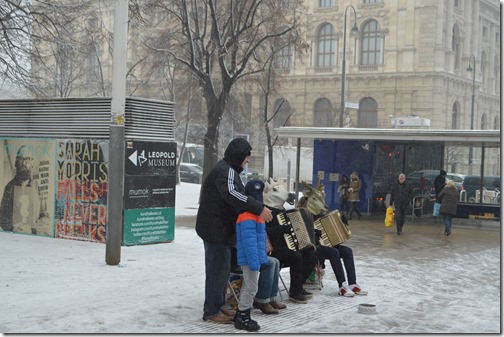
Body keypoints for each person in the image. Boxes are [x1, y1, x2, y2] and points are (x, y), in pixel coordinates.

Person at [195, 138, 273, 324]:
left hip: (220, 230)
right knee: (216, 271)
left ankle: (218, 306)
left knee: (221, 270)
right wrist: (257, 207)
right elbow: (233, 194)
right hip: (214, 230)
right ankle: (212, 312)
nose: (247, 161)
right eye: (246, 157)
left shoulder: (229, 171)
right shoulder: (226, 171)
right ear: (238, 156)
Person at [234, 179, 269, 331]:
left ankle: (241, 314)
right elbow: (249, 242)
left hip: (252, 258)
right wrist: (255, 261)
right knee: (251, 288)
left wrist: (261, 258)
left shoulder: (255, 215)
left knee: (249, 286)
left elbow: (259, 240)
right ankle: (243, 315)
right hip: (249, 259)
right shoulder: (248, 215)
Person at [265, 208, 318, 304]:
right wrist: (281, 229)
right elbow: (264, 232)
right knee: (296, 257)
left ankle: (298, 286)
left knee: (310, 257)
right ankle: (294, 293)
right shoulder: (266, 211)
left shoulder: (283, 211)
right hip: (272, 248)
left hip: (287, 246)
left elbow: (298, 228)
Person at [0, 146, 49, 234]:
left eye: (27, 159)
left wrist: (33, 230)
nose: (23, 163)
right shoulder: (9, 187)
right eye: (20, 159)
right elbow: (2, 217)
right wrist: (12, 228)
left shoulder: (38, 188)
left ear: (32, 164)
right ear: (16, 162)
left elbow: (45, 216)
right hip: (14, 238)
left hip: (33, 240)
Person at [314, 229, 367, 297]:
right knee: (334, 252)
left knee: (348, 251)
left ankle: (352, 284)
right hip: (315, 248)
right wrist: (314, 232)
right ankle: (342, 286)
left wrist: (344, 224)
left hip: (327, 245)